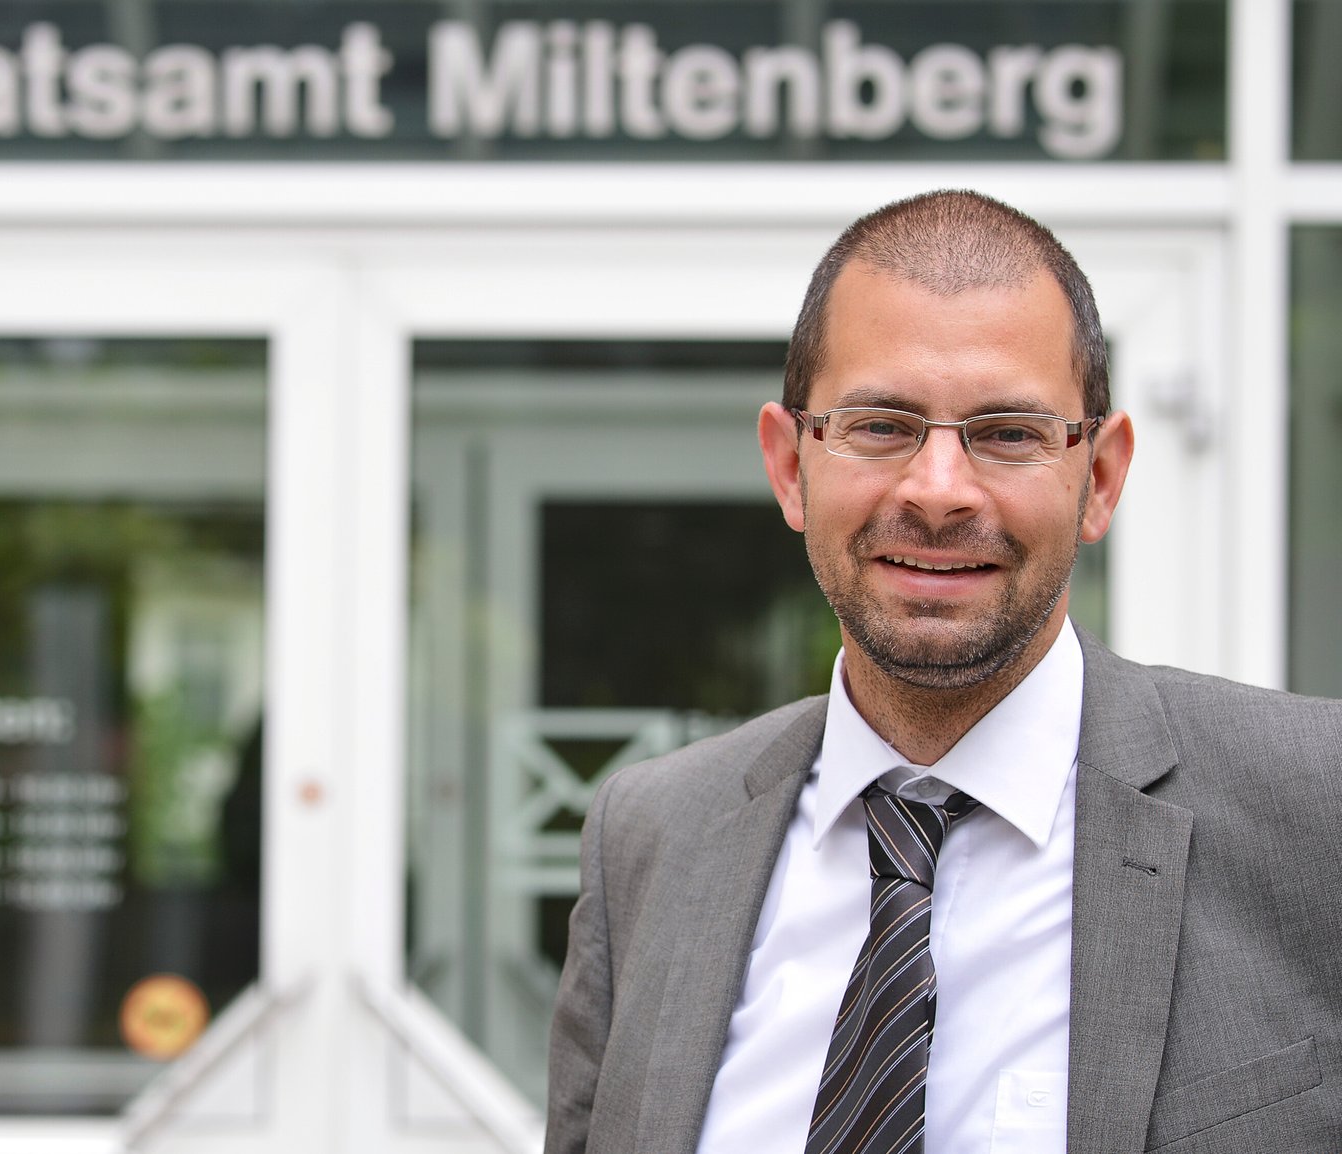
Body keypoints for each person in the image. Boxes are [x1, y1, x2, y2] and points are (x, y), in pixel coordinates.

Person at [544, 189, 1342, 1154]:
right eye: (882, 425)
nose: (938, 492)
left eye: (1008, 433)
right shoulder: (651, 836)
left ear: (1099, 478)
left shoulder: (1317, 808)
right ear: (791, 467)